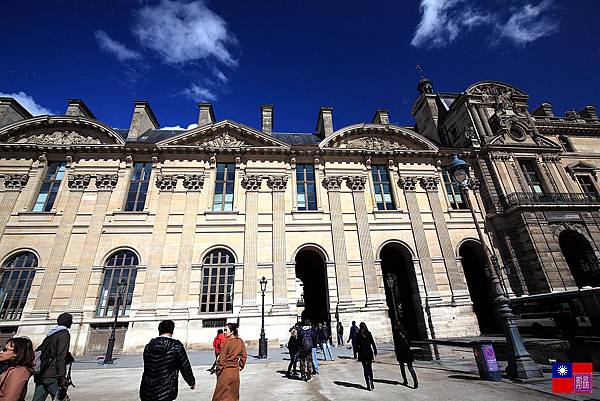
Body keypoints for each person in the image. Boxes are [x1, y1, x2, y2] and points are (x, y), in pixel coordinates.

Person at [139, 320, 196, 401]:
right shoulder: (176, 346)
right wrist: (191, 382)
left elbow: (147, 366)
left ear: (159, 330)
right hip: (166, 390)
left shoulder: (148, 346)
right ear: (172, 330)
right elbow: (185, 366)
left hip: (146, 389)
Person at [32, 312, 73, 401]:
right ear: (68, 322)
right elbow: (61, 356)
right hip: (52, 375)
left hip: (42, 372)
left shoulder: (51, 333)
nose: (72, 322)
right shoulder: (64, 334)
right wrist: (62, 376)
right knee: (62, 399)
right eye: (71, 321)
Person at [212, 323, 247, 401]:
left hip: (225, 372)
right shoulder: (240, 341)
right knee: (233, 395)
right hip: (235, 372)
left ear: (232, 332)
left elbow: (221, 360)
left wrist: (218, 371)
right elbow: (244, 355)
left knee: (220, 395)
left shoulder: (227, 342)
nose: (224, 332)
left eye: (226, 330)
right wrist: (241, 366)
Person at [394, 320, 418, 389]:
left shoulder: (396, 334)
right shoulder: (406, 332)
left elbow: (396, 345)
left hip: (400, 353)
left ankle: (405, 380)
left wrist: (397, 352)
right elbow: (410, 342)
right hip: (407, 352)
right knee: (410, 367)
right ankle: (415, 381)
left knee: (402, 367)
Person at [355, 322, 377, 391]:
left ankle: (368, 384)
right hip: (369, 352)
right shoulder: (369, 333)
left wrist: (355, 353)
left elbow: (356, 345)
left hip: (362, 353)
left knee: (365, 369)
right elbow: (372, 342)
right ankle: (372, 382)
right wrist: (375, 350)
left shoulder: (358, 334)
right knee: (370, 368)